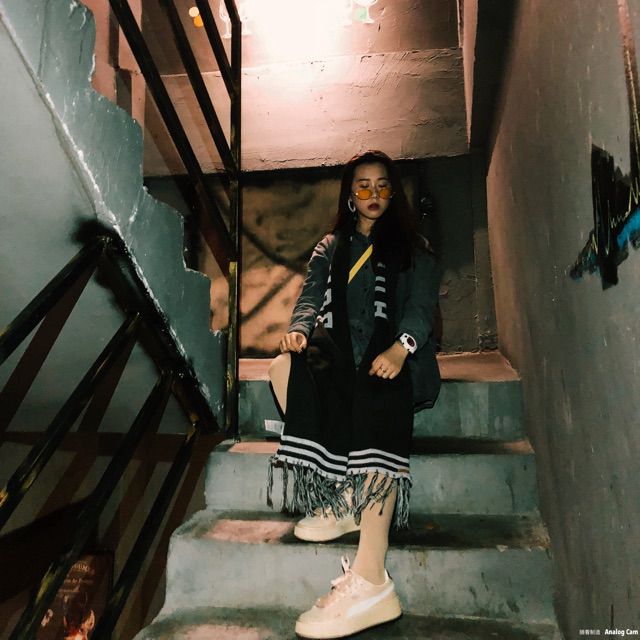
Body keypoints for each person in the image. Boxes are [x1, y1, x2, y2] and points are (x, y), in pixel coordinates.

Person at [267, 150, 442, 638]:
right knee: (282, 367)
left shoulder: (414, 248)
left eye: (382, 185)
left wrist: (402, 348)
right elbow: (310, 296)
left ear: (393, 192)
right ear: (350, 195)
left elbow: (421, 309)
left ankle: (372, 578)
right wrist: (299, 330)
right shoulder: (330, 246)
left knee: (380, 393)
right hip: (342, 358)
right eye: (363, 186)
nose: (373, 194)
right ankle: (347, 493)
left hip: (395, 358)